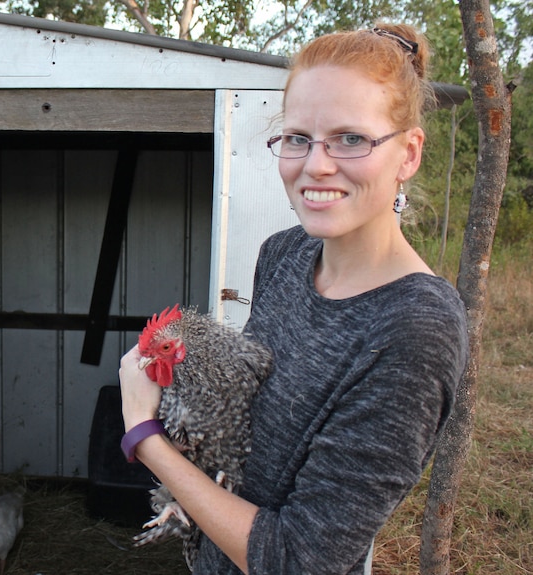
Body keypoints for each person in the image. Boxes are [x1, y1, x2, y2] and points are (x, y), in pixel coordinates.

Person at [118, 23, 469, 575]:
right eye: (298, 137)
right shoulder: (284, 254)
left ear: (408, 154)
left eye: (351, 139)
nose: (316, 165)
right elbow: (252, 420)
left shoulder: (412, 330)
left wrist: (144, 435)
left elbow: (297, 558)